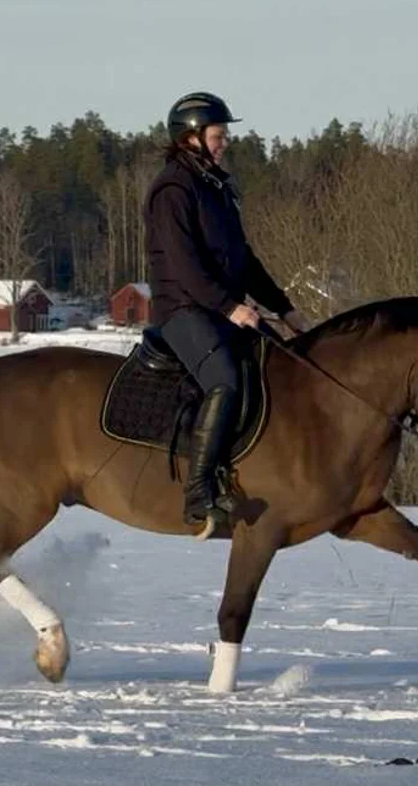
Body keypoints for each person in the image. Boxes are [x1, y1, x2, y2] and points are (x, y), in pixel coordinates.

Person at [143, 91, 311, 531]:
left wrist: (285, 309)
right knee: (225, 378)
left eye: (225, 135)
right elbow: (185, 266)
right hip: (183, 309)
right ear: (191, 138)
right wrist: (229, 307)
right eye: (219, 135)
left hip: (219, 308)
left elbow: (244, 260)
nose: (225, 143)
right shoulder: (173, 190)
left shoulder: (215, 186)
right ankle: (199, 493)